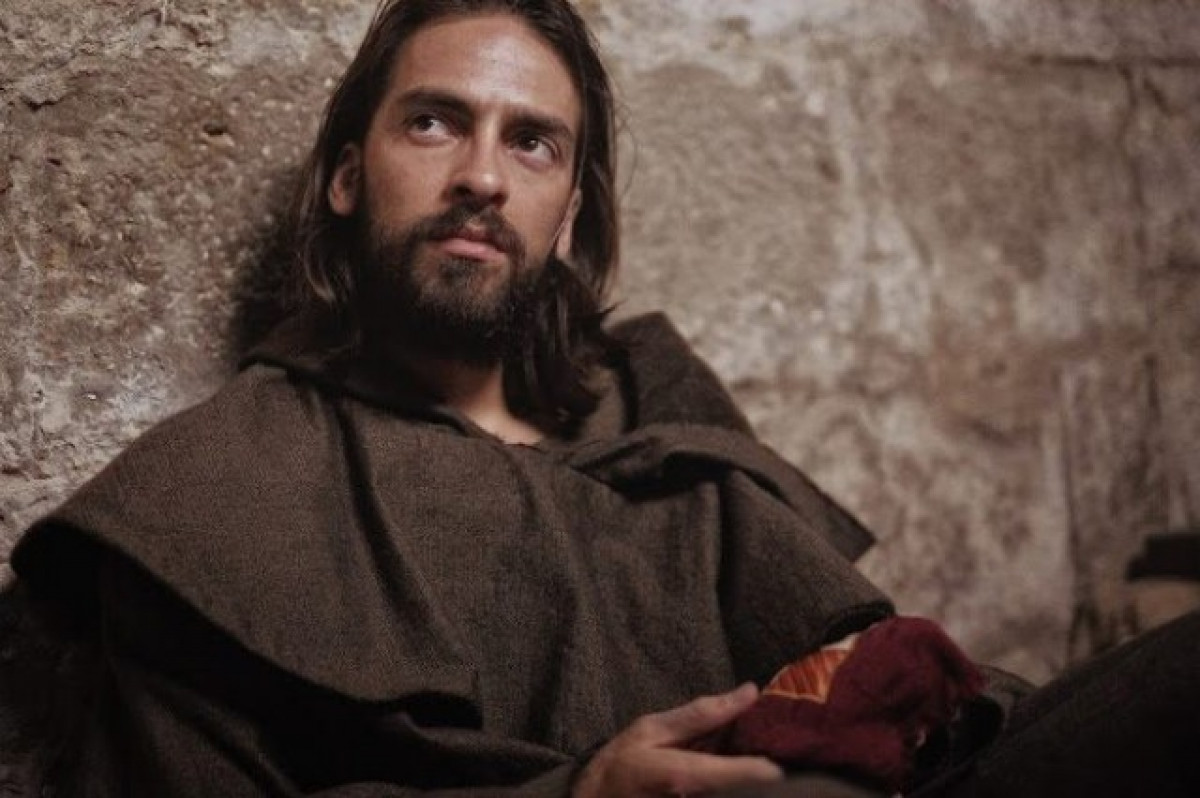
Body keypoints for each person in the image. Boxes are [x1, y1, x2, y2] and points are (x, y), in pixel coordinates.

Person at [4, 1, 1198, 797]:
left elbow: (851, 675)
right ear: (348, 177)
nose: (481, 174)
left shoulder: (652, 407)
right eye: (435, 122)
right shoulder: (217, 498)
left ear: (568, 213)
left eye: (532, 142)